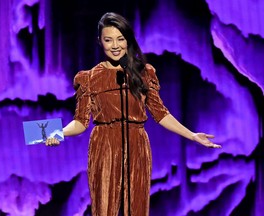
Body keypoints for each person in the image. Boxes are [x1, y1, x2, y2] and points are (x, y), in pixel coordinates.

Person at [46, 12, 221, 216]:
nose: (115, 45)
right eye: (108, 40)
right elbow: (81, 122)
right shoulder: (89, 78)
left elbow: (160, 113)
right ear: (100, 42)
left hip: (137, 144)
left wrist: (191, 135)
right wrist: (57, 132)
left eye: (120, 39)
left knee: (137, 209)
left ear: (128, 40)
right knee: (104, 209)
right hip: (104, 145)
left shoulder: (144, 73)